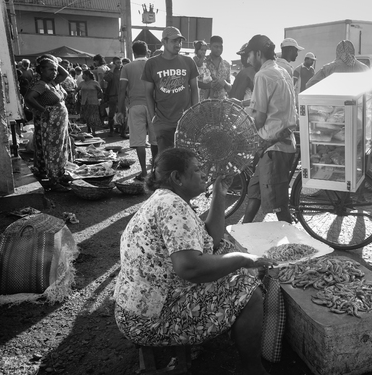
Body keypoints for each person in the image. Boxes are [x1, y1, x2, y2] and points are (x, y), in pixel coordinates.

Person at [113, 148, 275, 375]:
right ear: (177, 178)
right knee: (249, 291)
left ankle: (233, 328)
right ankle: (252, 368)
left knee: (225, 249)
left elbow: (212, 239)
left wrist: (220, 192)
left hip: (137, 310)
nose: (204, 174)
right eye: (197, 170)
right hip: (149, 321)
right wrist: (241, 259)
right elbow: (189, 267)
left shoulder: (167, 199)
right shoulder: (172, 207)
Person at [242, 35, 297, 224]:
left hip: (274, 148)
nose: (248, 60)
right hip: (279, 144)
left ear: (258, 53)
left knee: (279, 204)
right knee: (255, 192)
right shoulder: (282, 71)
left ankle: (294, 246)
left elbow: (260, 117)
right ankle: (243, 230)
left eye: (249, 55)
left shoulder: (263, 75)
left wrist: (246, 130)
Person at [142, 26, 199, 154]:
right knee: (167, 160)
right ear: (164, 42)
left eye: (180, 41)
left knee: (186, 159)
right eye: (174, 41)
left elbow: (195, 88)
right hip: (163, 122)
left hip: (186, 121)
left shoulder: (188, 61)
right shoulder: (152, 64)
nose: (178, 44)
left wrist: (196, 114)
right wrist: (153, 119)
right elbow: (148, 93)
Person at [24, 55, 73, 192]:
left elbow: (66, 73)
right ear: (41, 71)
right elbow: (29, 98)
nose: (55, 72)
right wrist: (43, 110)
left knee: (60, 149)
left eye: (55, 70)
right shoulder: (41, 84)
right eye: (51, 69)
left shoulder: (53, 83)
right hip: (51, 125)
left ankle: (59, 174)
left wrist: (55, 62)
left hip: (59, 125)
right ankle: (54, 180)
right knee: (53, 151)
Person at [118, 41, 158, 180]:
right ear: (147, 51)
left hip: (135, 106)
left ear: (133, 52)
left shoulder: (127, 67)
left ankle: (143, 172)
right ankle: (155, 171)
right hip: (154, 106)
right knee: (155, 140)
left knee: (139, 141)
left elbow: (122, 90)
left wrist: (120, 110)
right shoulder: (154, 65)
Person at [76, 70, 103, 136]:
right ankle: (88, 129)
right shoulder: (82, 83)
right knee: (87, 116)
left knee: (93, 117)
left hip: (93, 102)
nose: (82, 76)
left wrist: (100, 98)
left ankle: (93, 131)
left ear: (87, 75)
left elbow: (101, 91)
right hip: (84, 102)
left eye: (84, 75)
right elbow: (76, 90)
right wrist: (75, 97)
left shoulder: (95, 83)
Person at [103, 57, 122, 136]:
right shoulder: (109, 72)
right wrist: (112, 69)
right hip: (112, 96)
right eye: (117, 63)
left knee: (121, 114)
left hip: (121, 96)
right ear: (114, 63)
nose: (119, 64)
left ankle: (120, 130)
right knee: (111, 114)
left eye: (120, 62)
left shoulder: (123, 71)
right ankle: (111, 130)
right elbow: (107, 79)